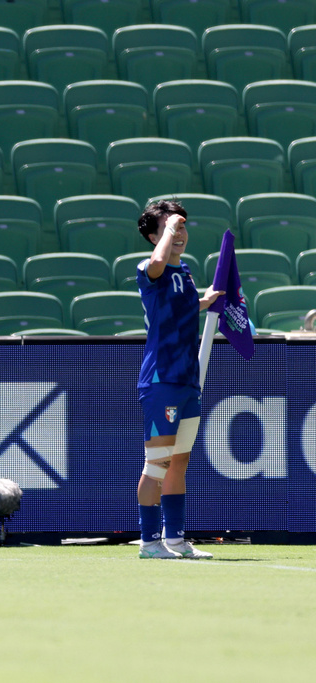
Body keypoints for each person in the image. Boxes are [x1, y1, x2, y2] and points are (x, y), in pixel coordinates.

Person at [135, 200, 224, 560]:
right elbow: (157, 264)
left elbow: (184, 308)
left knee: (180, 461)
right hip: (162, 377)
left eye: (183, 227)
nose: (179, 233)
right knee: (157, 464)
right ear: (154, 235)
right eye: (171, 228)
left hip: (188, 379)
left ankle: (175, 539)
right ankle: (148, 542)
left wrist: (208, 301)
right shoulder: (147, 267)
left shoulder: (184, 273)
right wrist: (169, 228)